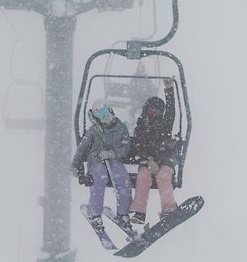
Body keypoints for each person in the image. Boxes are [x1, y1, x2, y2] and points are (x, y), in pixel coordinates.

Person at [71, 99, 132, 233]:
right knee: (100, 177)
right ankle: (95, 213)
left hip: (114, 160)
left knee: (123, 179)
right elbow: (82, 148)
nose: (104, 117)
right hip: (97, 161)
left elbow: (126, 146)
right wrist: (76, 165)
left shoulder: (121, 128)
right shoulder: (94, 131)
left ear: (110, 111)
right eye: (100, 115)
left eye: (105, 112)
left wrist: (113, 153)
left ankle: (123, 212)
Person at [129, 77, 178, 224]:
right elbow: (138, 146)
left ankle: (169, 210)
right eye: (152, 109)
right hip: (148, 162)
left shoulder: (165, 125)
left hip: (164, 161)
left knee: (163, 175)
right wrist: (148, 160)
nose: (154, 112)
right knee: (143, 176)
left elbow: (171, 112)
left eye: (158, 110)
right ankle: (139, 212)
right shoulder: (141, 128)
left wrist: (169, 90)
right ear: (147, 110)